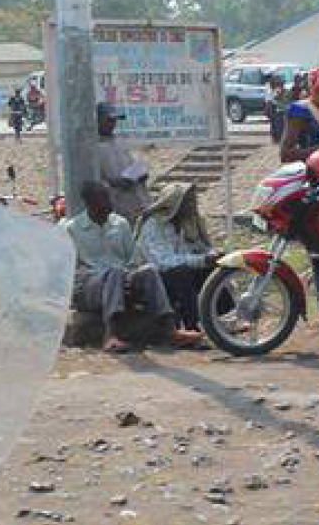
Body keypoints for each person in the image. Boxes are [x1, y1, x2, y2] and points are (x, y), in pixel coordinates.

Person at [62, 181, 203, 353]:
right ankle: (111, 335)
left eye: (109, 198)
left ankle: (170, 330)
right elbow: (68, 268)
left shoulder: (120, 224)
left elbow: (133, 258)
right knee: (113, 272)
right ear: (89, 202)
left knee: (148, 271)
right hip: (88, 286)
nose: (109, 203)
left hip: (119, 278)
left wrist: (131, 276)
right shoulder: (71, 229)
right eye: (103, 199)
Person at [134, 183, 223, 332]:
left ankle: (221, 320)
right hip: (153, 278)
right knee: (181, 273)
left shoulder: (186, 225)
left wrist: (213, 255)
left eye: (194, 201)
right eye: (188, 202)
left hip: (176, 271)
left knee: (214, 271)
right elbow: (164, 262)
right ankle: (191, 327)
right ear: (175, 204)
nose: (193, 206)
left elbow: (199, 248)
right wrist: (202, 259)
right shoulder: (153, 225)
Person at [95, 102, 149, 223]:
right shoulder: (92, 147)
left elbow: (132, 167)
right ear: (98, 120)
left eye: (114, 120)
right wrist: (114, 183)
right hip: (118, 209)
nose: (113, 124)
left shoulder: (119, 141)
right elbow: (92, 184)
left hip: (138, 204)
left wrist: (141, 174)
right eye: (109, 120)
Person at [265, 75, 289, 145]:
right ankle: (276, 138)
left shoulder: (282, 91)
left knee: (279, 125)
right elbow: (269, 101)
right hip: (274, 110)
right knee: (275, 124)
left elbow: (284, 101)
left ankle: (278, 138)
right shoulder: (271, 91)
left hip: (280, 110)